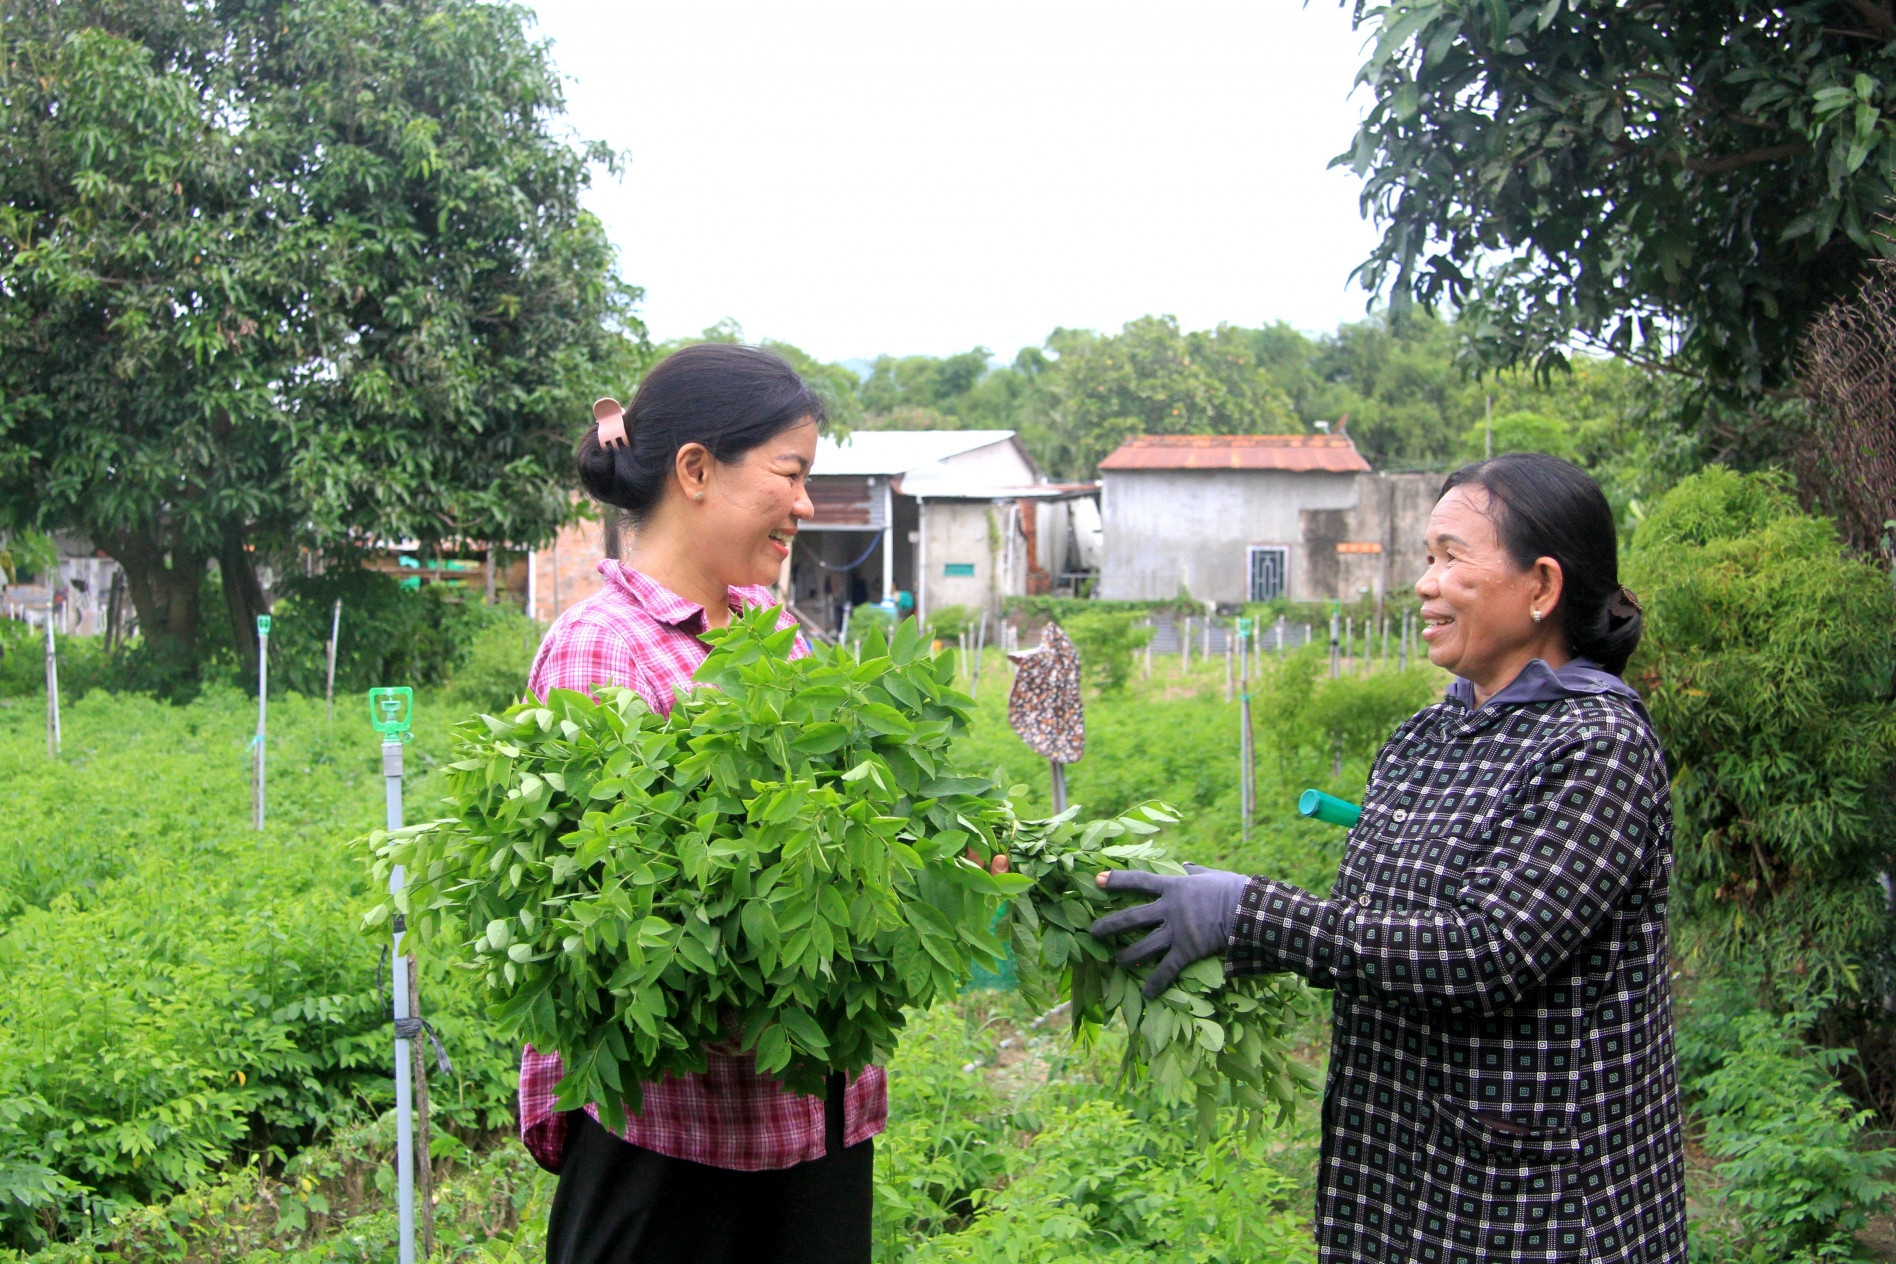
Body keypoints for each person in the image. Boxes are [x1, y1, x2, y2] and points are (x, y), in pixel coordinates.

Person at [1092, 453, 1684, 1264]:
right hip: (1391, 1176)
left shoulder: (1598, 748)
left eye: (1451, 557)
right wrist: (1217, 934)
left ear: (1541, 586)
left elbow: (1486, 954)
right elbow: (1367, 938)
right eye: (1426, 558)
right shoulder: (1420, 740)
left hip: (1534, 1204)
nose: (1425, 584)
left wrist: (1250, 915)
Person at [520, 342, 875, 1264]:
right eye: (791, 474)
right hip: (674, 1160)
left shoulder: (777, 637)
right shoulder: (603, 649)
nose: (805, 503)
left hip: (814, 1132)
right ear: (695, 470)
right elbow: (604, 930)